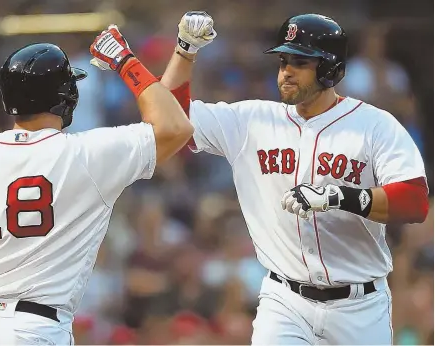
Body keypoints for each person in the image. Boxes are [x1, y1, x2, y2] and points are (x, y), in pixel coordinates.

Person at [0, 25, 193, 345]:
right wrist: (124, 60)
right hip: (33, 327)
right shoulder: (88, 154)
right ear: (66, 97)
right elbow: (176, 127)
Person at [160, 12, 429, 345]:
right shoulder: (252, 121)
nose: (286, 70)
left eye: (300, 62)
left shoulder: (375, 126)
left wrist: (338, 197)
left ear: (330, 69)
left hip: (359, 307)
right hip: (285, 301)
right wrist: (185, 52)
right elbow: (169, 120)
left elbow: (414, 202)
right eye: (283, 60)